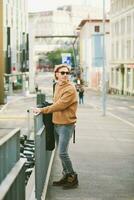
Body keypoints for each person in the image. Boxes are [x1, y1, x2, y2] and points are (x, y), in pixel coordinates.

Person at [33, 64, 78, 189]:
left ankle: (73, 176)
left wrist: (42, 110)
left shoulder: (70, 89)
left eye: (67, 73)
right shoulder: (57, 85)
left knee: (62, 153)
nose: (65, 75)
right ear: (56, 73)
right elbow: (55, 103)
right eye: (62, 73)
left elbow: (59, 105)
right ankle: (66, 176)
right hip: (56, 123)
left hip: (66, 125)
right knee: (60, 152)